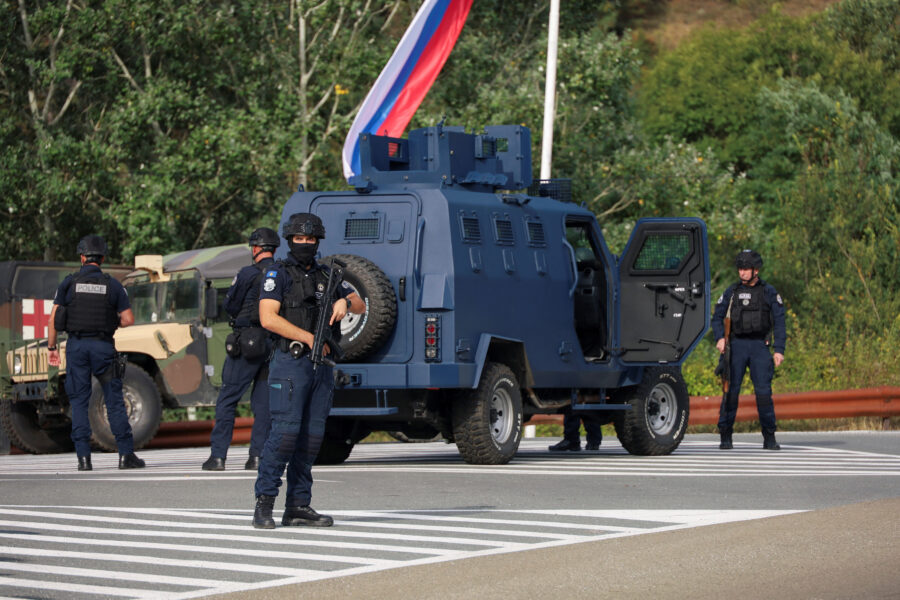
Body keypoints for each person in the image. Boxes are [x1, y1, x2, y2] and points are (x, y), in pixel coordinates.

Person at [251, 213, 364, 529]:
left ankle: (298, 505)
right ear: (290, 240)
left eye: (310, 239)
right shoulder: (278, 273)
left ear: (317, 241)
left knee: (312, 439)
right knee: (285, 435)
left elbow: (359, 303)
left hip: (321, 368)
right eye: (299, 239)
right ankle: (264, 504)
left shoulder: (328, 275)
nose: (304, 244)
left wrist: (346, 303)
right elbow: (267, 318)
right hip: (291, 362)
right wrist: (308, 337)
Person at [47, 235, 145, 471]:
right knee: (113, 401)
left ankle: (83, 458)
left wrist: (51, 348)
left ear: (82, 257)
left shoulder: (68, 284)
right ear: (101, 258)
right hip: (103, 347)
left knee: (79, 402)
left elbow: (53, 320)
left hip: (77, 347)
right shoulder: (113, 285)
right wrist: (110, 321)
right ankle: (125, 456)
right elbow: (128, 319)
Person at [201, 228, 279, 472]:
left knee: (228, 399)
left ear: (255, 248)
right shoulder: (284, 273)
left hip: (247, 343)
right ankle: (257, 457)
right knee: (264, 404)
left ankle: (218, 457)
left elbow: (231, 305)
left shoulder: (247, 273)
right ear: (274, 249)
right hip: (274, 344)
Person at [713, 249, 786, 451]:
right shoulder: (732, 291)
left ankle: (769, 437)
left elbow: (779, 321)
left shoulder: (768, 291)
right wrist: (720, 337)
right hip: (736, 346)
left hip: (759, 347)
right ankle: (725, 436)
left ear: (756, 270)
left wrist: (779, 349)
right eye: (740, 268)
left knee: (764, 393)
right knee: (730, 392)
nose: (742, 273)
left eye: (746, 269)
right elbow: (717, 316)